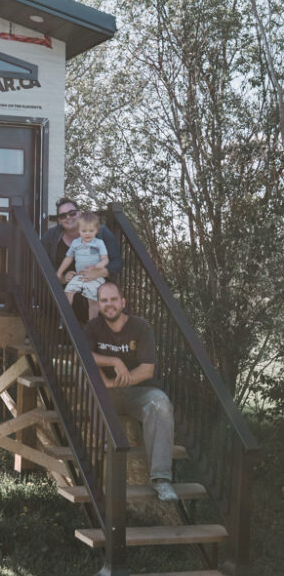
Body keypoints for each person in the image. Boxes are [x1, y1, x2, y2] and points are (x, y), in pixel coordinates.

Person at [82, 281, 178, 502]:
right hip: (107, 396)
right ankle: (101, 449)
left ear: (123, 302)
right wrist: (114, 362)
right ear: (98, 304)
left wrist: (118, 381)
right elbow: (84, 356)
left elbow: (147, 369)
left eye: (113, 299)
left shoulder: (140, 327)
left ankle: (162, 481)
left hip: (139, 392)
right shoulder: (93, 327)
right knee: (86, 384)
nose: (109, 305)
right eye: (104, 301)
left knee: (161, 404)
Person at [42, 198, 122, 323]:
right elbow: (45, 267)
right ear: (59, 220)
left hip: (95, 282)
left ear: (79, 213)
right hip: (67, 285)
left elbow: (116, 261)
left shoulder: (101, 233)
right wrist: (61, 277)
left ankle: (92, 328)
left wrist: (99, 272)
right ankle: (64, 324)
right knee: (62, 296)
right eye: (63, 216)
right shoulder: (51, 237)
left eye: (72, 213)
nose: (68, 217)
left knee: (93, 299)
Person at [56, 211, 108, 319]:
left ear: (97, 230)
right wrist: (59, 272)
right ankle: (65, 318)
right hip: (79, 275)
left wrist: (100, 265)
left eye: (91, 230)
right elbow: (68, 258)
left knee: (93, 301)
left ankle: (92, 324)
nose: (87, 233)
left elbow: (105, 259)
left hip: (94, 276)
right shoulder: (75, 243)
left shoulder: (98, 243)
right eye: (84, 231)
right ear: (78, 231)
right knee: (68, 292)